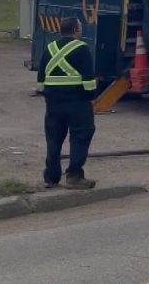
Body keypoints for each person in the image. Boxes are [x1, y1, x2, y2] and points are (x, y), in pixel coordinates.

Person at [38, 17, 97, 189]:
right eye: (80, 27)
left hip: (53, 103)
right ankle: (74, 175)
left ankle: (51, 177)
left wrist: (49, 95)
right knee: (80, 135)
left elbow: (41, 81)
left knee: (54, 138)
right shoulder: (82, 48)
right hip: (78, 102)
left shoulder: (49, 49)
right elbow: (89, 81)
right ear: (75, 30)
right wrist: (90, 97)